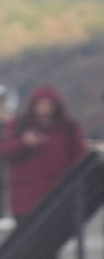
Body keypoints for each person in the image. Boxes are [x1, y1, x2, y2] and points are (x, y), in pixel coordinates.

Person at [1, 86, 87, 218]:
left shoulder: (68, 127)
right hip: (25, 199)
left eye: (48, 104)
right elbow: (5, 149)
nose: (44, 107)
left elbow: (79, 155)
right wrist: (24, 142)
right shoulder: (19, 125)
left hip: (59, 195)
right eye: (40, 103)